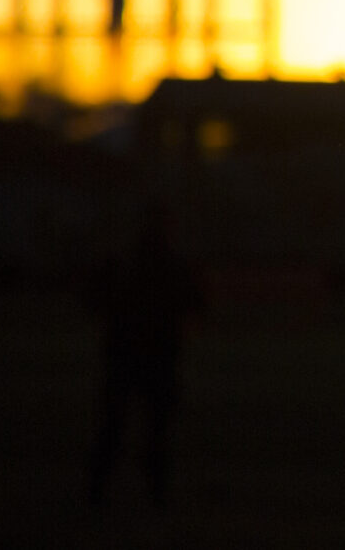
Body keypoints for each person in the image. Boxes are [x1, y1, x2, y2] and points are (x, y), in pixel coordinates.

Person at [86, 195, 204, 507]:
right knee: (155, 430)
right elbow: (195, 306)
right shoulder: (172, 265)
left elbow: (92, 300)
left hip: (124, 354)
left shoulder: (122, 262)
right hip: (158, 356)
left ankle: (97, 490)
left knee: (115, 426)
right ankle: (155, 493)